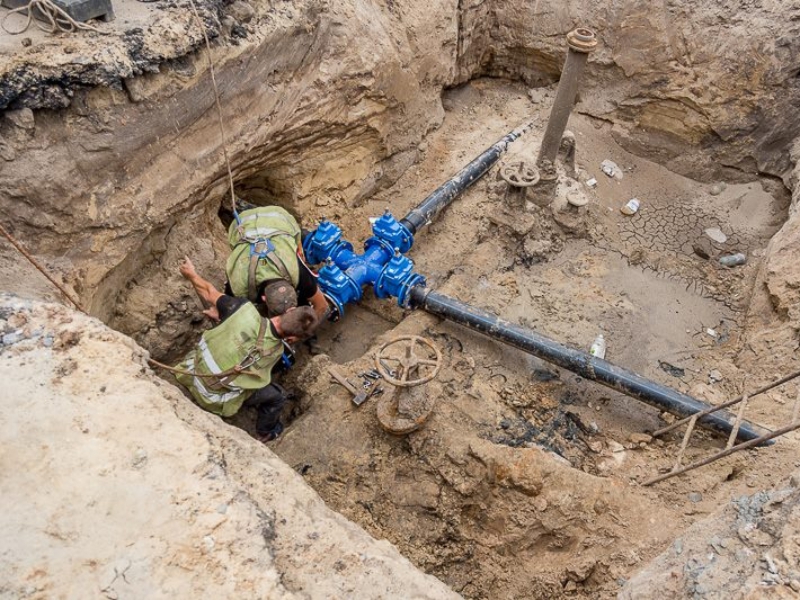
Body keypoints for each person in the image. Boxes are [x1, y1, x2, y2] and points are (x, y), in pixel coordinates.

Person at [174, 257, 319, 442]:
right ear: (290, 339)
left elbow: (209, 292)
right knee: (277, 397)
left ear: (289, 311)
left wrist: (191, 274)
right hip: (212, 400)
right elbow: (257, 380)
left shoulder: (242, 309)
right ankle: (265, 433)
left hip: (189, 371)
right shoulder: (274, 352)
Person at [225, 205, 329, 319]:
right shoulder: (237, 284)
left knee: (299, 252)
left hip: (280, 218)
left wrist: (301, 333)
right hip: (243, 223)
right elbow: (231, 315)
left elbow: (322, 306)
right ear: (263, 298)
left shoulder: (300, 274)